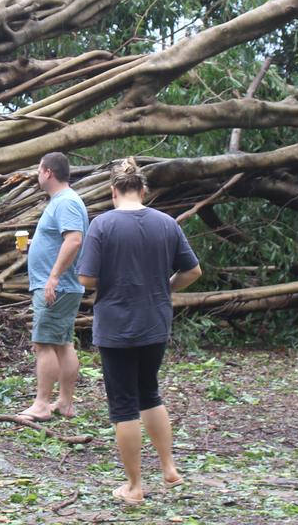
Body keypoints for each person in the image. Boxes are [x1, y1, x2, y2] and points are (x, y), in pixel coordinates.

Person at [77, 157, 203, 505]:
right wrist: (165, 287)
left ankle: (134, 486)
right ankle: (169, 468)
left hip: (117, 327)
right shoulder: (166, 223)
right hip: (155, 322)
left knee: (123, 405)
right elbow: (193, 271)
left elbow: (86, 278)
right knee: (150, 393)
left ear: (112, 190)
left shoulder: (102, 225)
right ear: (143, 190)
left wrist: (113, 281)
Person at [17, 152, 89, 422]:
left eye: (38, 170)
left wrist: (54, 277)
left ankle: (42, 404)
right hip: (62, 286)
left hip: (56, 287)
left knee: (44, 343)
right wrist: (35, 248)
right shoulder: (62, 202)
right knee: (62, 344)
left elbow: (74, 240)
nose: (37, 175)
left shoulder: (66, 202)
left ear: (48, 172)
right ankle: (65, 404)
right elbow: (62, 240)